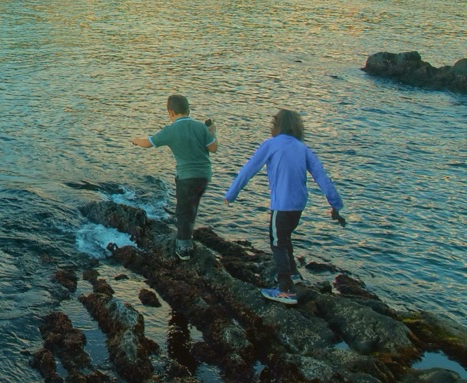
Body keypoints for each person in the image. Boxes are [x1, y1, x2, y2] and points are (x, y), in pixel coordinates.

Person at [224, 109, 344, 306]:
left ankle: (286, 290)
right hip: (299, 204)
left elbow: (249, 169)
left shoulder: (270, 144)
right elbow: (321, 176)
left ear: (276, 125)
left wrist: (231, 194)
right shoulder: (302, 147)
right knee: (284, 236)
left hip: (282, 204)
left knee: (277, 242)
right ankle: (293, 273)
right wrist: (335, 205)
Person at [132, 94, 218, 261]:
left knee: (183, 211)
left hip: (186, 177)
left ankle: (183, 248)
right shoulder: (201, 127)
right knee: (191, 207)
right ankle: (187, 237)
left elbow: (148, 143)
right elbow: (213, 148)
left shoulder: (170, 130)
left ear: (170, 112)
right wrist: (212, 132)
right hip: (204, 176)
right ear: (188, 110)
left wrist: (135, 140)